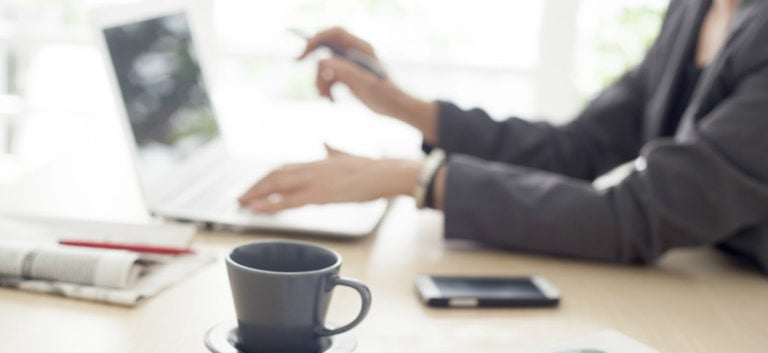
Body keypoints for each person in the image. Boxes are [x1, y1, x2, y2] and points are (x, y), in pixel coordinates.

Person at [239, 0, 768, 274]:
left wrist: (411, 178)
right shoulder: (698, 9)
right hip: (710, 275)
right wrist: (404, 106)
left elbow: (635, 217)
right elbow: (578, 149)